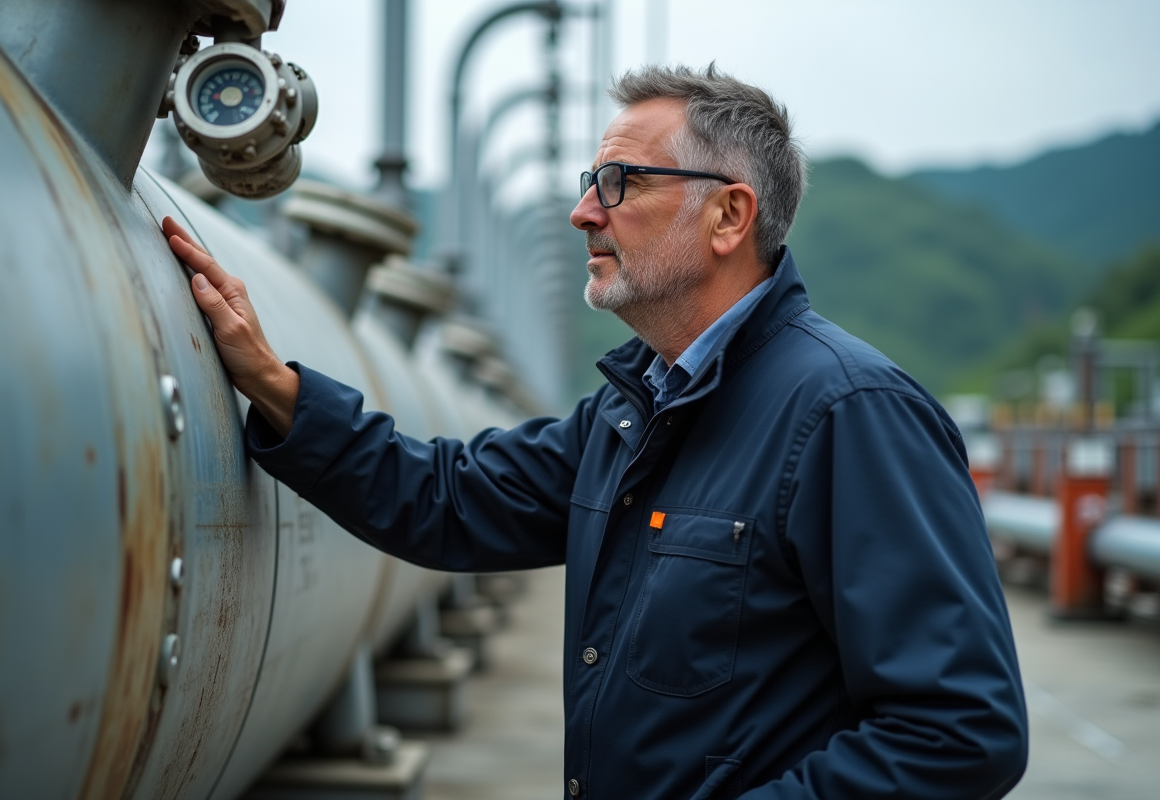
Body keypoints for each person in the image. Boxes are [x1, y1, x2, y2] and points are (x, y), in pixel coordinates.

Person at [163, 65, 1028, 800]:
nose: (584, 211)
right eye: (587, 181)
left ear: (730, 216)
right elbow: (448, 499)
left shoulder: (847, 412)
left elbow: (957, 730)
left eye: (621, 183)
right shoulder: (633, 409)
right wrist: (275, 388)